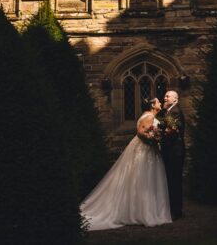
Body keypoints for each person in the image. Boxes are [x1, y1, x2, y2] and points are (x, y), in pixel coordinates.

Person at [80, 98, 171, 231]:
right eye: (158, 102)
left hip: (149, 149)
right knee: (143, 180)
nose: (160, 103)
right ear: (152, 105)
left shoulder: (150, 115)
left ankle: (143, 210)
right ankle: (143, 213)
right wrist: (154, 138)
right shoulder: (149, 116)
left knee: (143, 180)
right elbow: (141, 133)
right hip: (146, 150)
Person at [158, 90, 186, 219]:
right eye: (165, 96)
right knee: (172, 180)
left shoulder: (175, 111)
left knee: (174, 181)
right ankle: (174, 209)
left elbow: (173, 131)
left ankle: (176, 211)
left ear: (175, 99)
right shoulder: (170, 111)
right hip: (172, 151)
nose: (165, 98)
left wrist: (160, 138)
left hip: (175, 152)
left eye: (167, 96)